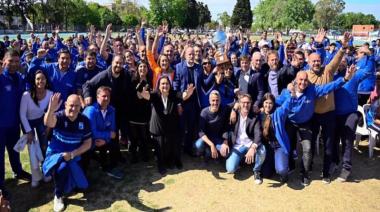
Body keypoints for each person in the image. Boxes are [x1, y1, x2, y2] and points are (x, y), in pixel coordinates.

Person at [276, 69, 355, 186]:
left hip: (305, 123)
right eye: (300, 80)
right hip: (291, 122)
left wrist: (344, 79)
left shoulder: (312, 90)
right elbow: (276, 103)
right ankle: (288, 168)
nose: (303, 82)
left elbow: (329, 87)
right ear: (295, 80)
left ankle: (305, 173)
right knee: (288, 147)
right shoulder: (286, 92)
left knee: (307, 149)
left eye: (305, 80)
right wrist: (264, 108)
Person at [43, 94, 92, 212]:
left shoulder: (84, 120)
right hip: (56, 153)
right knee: (62, 168)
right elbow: (48, 123)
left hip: (73, 155)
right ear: (65, 105)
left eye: (77, 106)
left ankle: (66, 182)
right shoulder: (59, 116)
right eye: (71, 105)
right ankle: (58, 195)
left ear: (81, 107)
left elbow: (88, 143)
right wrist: (51, 109)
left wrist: (73, 154)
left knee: (84, 186)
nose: (73, 109)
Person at [82, 55, 133, 164]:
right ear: (112, 63)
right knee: (111, 132)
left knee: (118, 132)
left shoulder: (126, 75)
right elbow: (88, 85)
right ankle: (107, 158)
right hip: (106, 109)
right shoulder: (104, 75)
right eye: (116, 63)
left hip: (120, 109)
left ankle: (116, 156)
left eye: (120, 63)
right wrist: (87, 96)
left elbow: (130, 90)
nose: (118, 65)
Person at [139, 76, 194, 174]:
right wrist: (142, 91)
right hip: (158, 127)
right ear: (159, 85)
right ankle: (161, 164)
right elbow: (145, 95)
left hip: (172, 126)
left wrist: (188, 93)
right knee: (160, 147)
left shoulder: (173, 94)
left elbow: (183, 96)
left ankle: (177, 160)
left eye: (167, 83)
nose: (165, 86)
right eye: (162, 84)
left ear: (170, 85)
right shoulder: (155, 94)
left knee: (174, 145)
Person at [0, 50, 32, 197]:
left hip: (14, 124)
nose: (13, 64)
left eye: (16, 61)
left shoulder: (19, 78)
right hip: (1, 126)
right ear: (4, 61)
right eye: (10, 61)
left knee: (15, 150)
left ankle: (17, 171)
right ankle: (0, 185)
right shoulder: (0, 77)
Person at [19, 70, 53, 187]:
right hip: (27, 124)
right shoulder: (26, 95)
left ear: (46, 80)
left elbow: (50, 111)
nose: (40, 81)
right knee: (32, 150)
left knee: (44, 147)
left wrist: (48, 127)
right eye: (38, 79)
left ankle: (46, 172)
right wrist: (28, 132)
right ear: (34, 81)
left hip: (40, 122)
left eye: (43, 78)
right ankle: (35, 177)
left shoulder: (50, 94)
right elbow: (22, 115)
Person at [82, 86, 124, 179]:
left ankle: (110, 167)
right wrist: (108, 135)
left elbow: (112, 130)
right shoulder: (91, 110)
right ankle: (83, 173)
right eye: (103, 96)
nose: (106, 99)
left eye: (108, 96)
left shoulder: (112, 110)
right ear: (97, 98)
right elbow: (92, 132)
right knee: (86, 154)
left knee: (114, 143)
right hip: (88, 140)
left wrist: (106, 139)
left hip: (102, 139)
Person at [224, 94, 266, 185]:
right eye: (243, 102)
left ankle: (257, 171)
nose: (245, 105)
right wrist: (234, 109)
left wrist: (253, 147)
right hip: (237, 145)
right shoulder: (234, 114)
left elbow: (258, 134)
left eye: (248, 103)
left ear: (251, 104)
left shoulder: (254, 117)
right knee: (230, 169)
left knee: (262, 150)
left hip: (250, 144)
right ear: (239, 103)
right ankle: (242, 160)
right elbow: (225, 107)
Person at [260, 91, 296, 183]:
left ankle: (284, 172)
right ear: (263, 103)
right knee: (266, 174)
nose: (268, 105)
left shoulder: (278, 113)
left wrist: (291, 94)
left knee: (281, 170)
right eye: (266, 103)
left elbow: (286, 105)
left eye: (270, 103)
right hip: (267, 146)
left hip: (278, 145)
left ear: (273, 104)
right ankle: (273, 164)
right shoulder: (259, 115)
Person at [173, 47, 203, 156]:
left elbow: (203, 83)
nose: (191, 56)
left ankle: (188, 148)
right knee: (181, 126)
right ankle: (178, 148)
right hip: (183, 102)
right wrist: (179, 103)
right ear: (185, 55)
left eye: (193, 54)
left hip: (194, 103)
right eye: (189, 54)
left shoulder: (199, 68)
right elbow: (175, 86)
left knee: (191, 127)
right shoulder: (179, 67)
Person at [194, 90, 230, 161]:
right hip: (206, 139)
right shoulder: (204, 112)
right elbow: (201, 132)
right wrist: (211, 145)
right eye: (213, 100)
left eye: (217, 100)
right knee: (198, 145)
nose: (215, 103)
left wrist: (225, 142)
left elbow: (226, 127)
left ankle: (212, 153)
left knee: (226, 153)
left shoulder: (224, 110)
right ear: (209, 101)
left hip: (218, 139)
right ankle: (206, 152)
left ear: (220, 101)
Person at [128, 62, 152, 163]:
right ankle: (133, 155)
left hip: (145, 113)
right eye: (140, 66)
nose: (142, 68)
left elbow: (149, 97)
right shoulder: (133, 80)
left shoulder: (150, 81)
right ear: (137, 68)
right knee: (133, 138)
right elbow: (137, 96)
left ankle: (144, 154)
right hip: (133, 113)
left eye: (145, 67)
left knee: (144, 137)